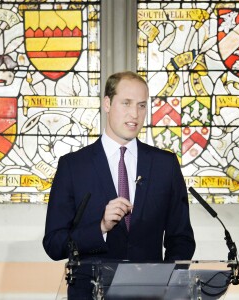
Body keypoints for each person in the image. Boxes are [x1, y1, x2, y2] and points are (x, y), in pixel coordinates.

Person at [43, 71, 195, 298]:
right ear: (107, 103)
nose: (135, 114)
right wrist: (100, 228)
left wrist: (167, 283)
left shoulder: (165, 165)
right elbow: (54, 244)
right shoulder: (73, 166)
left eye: (142, 106)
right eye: (126, 103)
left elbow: (181, 238)